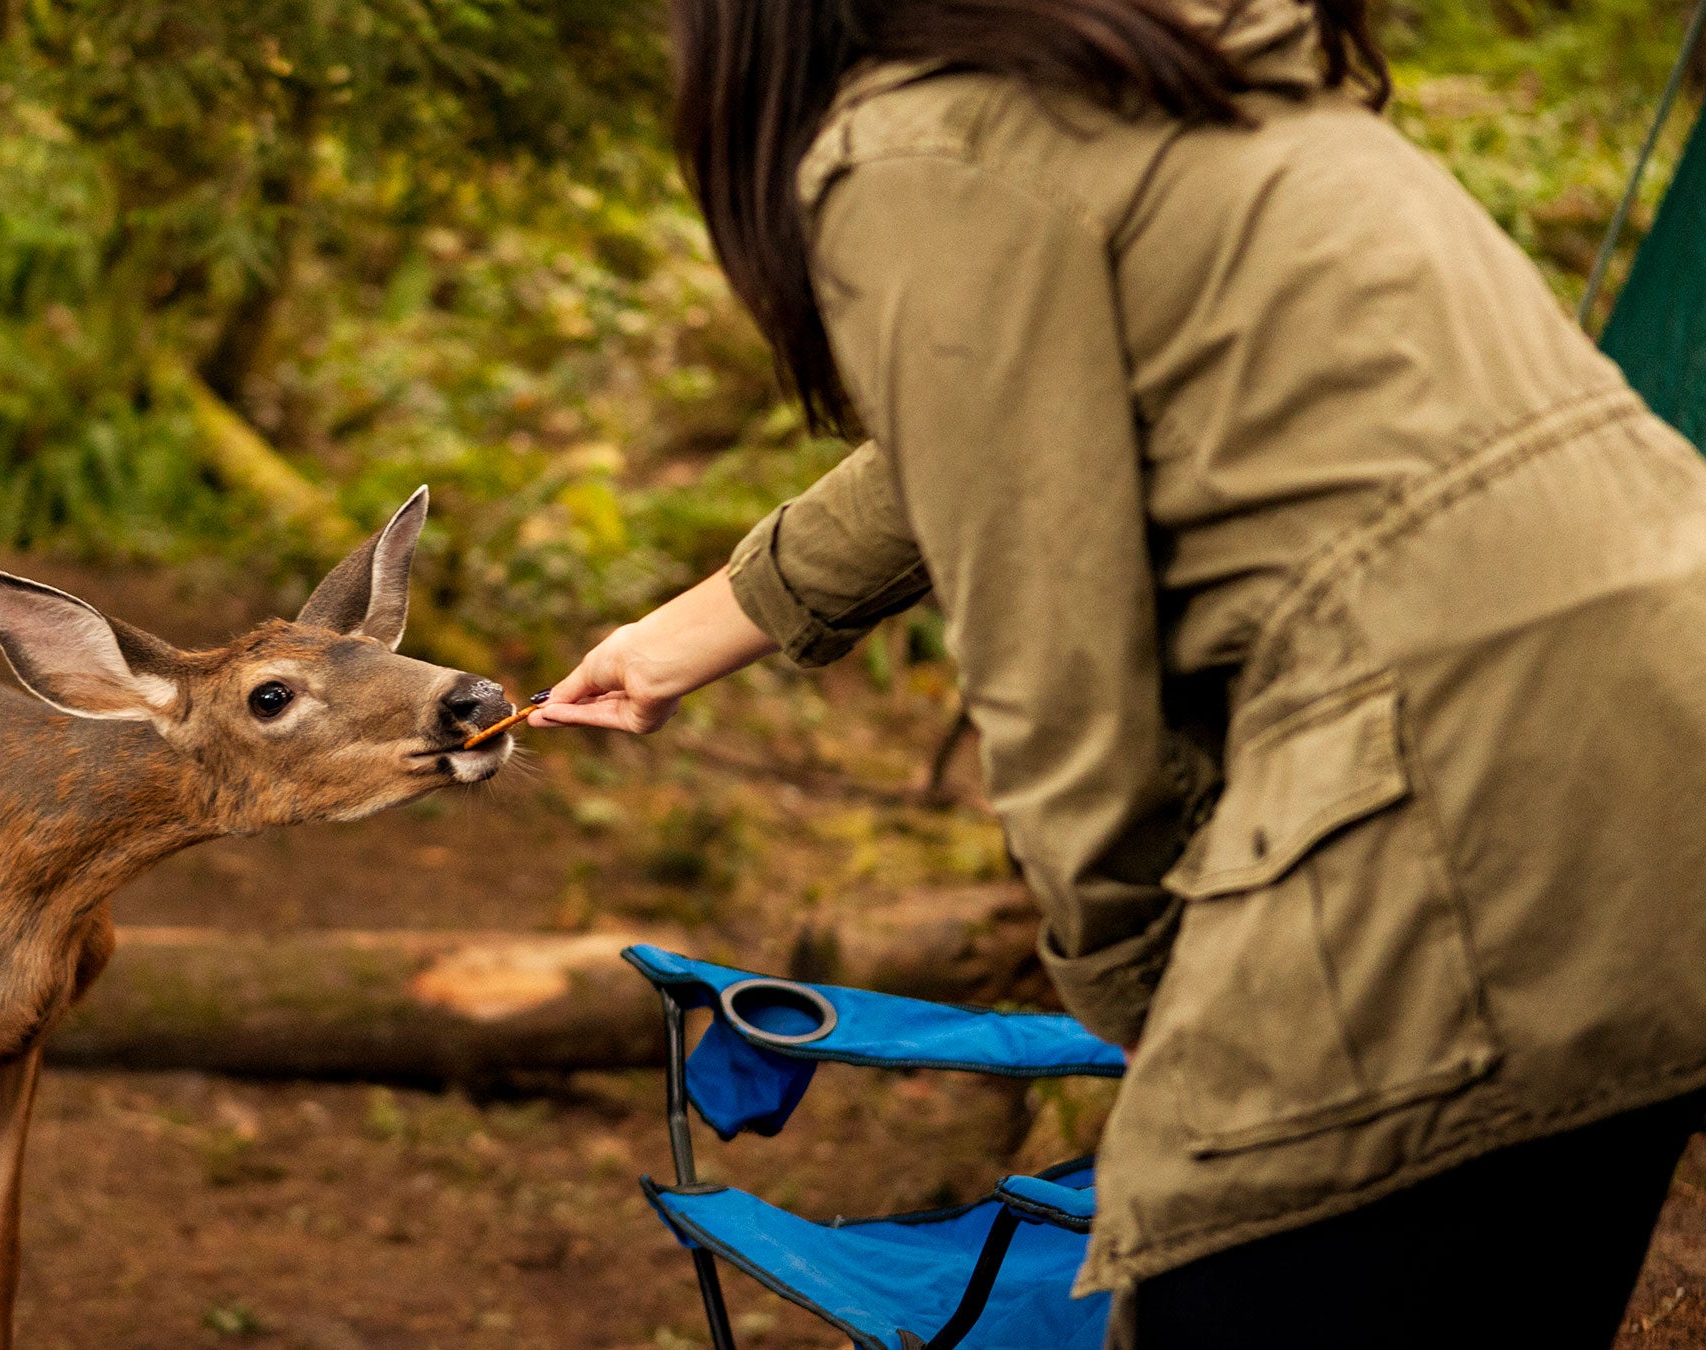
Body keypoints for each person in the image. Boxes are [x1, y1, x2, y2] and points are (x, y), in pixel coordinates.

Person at [525, 0, 1706, 1344]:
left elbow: (1060, 702)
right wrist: (714, 618)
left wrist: (1155, 1006)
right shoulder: (1172, 65)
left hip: (1460, 795)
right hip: (1668, 767)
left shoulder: (919, 141)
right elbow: (996, 420)